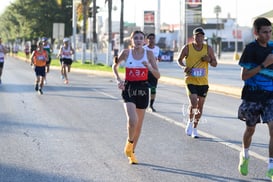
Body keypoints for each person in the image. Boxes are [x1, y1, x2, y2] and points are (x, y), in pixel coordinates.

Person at [112, 30, 160, 164]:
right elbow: (114, 66)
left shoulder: (149, 54)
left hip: (143, 89)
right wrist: (118, 80)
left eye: (141, 38)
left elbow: (157, 75)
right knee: (132, 120)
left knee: (138, 126)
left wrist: (149, 67)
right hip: (129, 88)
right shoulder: (126, 53)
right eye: (136, 38)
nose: (138, 41)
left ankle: (131, 152)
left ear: (144, 41)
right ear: (131, 40)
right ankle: (129, 142)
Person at [237, 17, 273, 179]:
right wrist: (264, 64)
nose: (268, 35)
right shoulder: (250, 49)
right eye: (264, 32)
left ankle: (271, 166)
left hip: (270, 96)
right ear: (256, 33)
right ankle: (244, 155)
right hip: (252, 95)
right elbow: (244, 76)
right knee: (250, 129)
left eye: (270, 31)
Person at [177, 27, 217, 138]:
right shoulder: (187, 48)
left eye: (201, 36)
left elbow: (215, 63)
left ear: (204, 37)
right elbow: (179, 60)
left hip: (203, 82)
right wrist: (184, 67)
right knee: (194, 102)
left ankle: (195, 128)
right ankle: (190, 122)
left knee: (200, 106)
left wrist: (209, 60)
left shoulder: (208, 49)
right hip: (190, 80)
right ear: (193, 37)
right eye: (197, 36)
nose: (199, 38)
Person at [143, 33, 162, 112]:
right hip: (145, 71)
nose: (151, 40)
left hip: (154, 71)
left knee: (153, 89)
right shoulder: (143, 48)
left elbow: (160, 58)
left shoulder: (158, 49)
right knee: (145, 89)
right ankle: (144, 105)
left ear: (155, 39)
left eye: (153, 38)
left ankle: (151, 105)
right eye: (149, 38)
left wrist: (156, 59)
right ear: (147, 40)